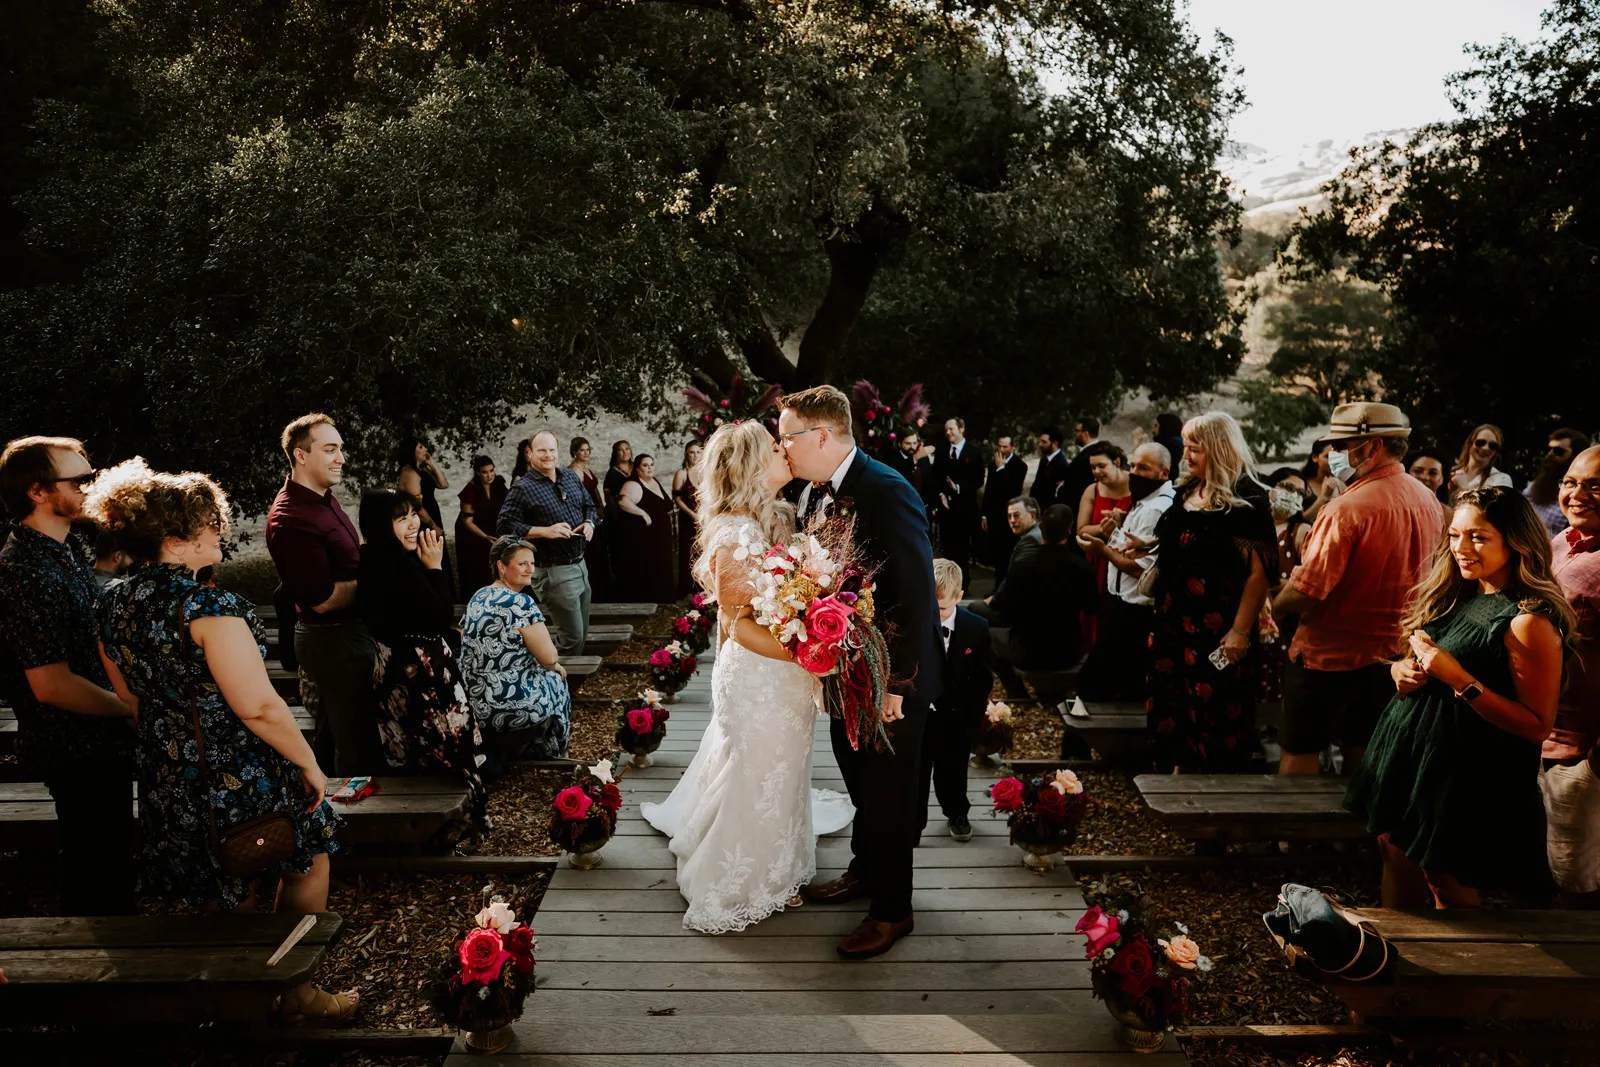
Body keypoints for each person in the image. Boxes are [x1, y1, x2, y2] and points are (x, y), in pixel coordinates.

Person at [87, 459, 355, 1023]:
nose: (220, 531)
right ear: (174, 543)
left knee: (220, 886)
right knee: (307, 860)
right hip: (240, 765)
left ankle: (243, 1002)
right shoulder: (209, 606)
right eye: (208, 523)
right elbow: (258, 706)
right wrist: (310, 763)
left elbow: (131, 699)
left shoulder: (108, 603)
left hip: (168, 768)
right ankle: (296, 991)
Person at [640, 422, 854, 933]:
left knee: (780, 771)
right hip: (763, 675)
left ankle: (781, 867)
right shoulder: (737, 534)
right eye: (775, 449)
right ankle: (738, 882)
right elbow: (737, 626)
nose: (785, 453)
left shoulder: (760, 522)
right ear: (754, 466)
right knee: (759, 775)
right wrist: (810, 653)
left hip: (777, 677)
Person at [778, 385, 943, 960]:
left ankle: (893, 910)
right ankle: (866, 869)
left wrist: (897, 685)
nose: (783, 448)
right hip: (847, 670)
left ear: (822, 435)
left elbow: (915, 594)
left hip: (891, 680)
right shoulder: (821, 492)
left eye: (788, 436)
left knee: (892, 794)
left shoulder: (887, 490)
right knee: (857, 775)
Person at [1345, 487, 1569, 908]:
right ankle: (1407, 962)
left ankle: (1465, 971)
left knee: (1444, 878)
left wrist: (1460, 680)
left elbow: (1537, 723)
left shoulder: (1528, 620)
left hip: (1465, 771)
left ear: (1516, 541)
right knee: (1394, 850)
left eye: (1478, 537)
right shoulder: (1461, 591)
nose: (1461, 549)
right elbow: (1418, 657)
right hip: (1414, 757)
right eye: (1454, 535)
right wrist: (1403, 671)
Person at [0, 436, 136, 916]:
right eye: (79, 480)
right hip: (75, 747)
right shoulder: (24, 568)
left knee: (112, 869)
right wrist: (129, 709)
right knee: (95, 879)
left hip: (101, 739)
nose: (91, 486)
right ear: (37, 491)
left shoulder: (65, 548)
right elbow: (49, 683)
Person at [1271, 404, 1445, 777]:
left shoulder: (1346, 508)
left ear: (1371, 446)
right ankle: (1352, 835)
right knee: (1365, 757)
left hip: (1327, 656)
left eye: (1342, 444)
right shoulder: (1427, 499)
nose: (1335, 454)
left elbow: (1309, 589)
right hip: (1389, 657)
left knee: (1300, 751)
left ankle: (1292, 836)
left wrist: (1275, 604)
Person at [1146, 412, 1276, 773]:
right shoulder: (1187, 491)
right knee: (1171, 704)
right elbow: (1175, 540)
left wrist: (1239, 631)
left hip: (1218, 627)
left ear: (1219, 449)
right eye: (1185, 447)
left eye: (1195, 449)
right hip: (1173, 621)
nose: (1185, 456)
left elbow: (1258, 575)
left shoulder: (1247, 501)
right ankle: (1175, 779)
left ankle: (1215, 798)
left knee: (1215, 711)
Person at [357, 490, 488, 832]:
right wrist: (435, 567)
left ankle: (446, 823)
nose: (414, 523)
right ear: (381, 526)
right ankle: (455, 823)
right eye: (401, 519)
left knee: (420, 749)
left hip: (403, 669)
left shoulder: (376, 556)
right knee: (444, 746)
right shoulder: (397, 565)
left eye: (414, 513)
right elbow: (438, 614)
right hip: (419, 673)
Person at [266, 414, 379, 775]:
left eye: (341, 449)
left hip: (349, 635)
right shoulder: (291, 519)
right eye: (330, 449)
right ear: (300, 455)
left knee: (337, 738)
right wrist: (385, 583)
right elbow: (322, 599)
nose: (341, 458)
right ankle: (360, 823)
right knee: (356, 747)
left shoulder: (323, 499)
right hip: (332, 641)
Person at [1541, 446, 1600, 897]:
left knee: (1577, 885)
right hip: (1539, 738)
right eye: (1571, 482)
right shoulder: (1562, 542)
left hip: (1581, 756)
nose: (1579, 494)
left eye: (1596, 485)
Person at [1077, 443, 1176, 703]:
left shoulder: (1157, 508)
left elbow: (1139, 567)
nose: (1135, 473)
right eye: (1133, 466)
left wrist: (1104, 550)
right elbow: (1130, 549)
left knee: (1099, 684)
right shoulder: (1146, 501)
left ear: (1163, 473)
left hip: (1135, 609)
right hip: (1121, 601)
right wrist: (1115, 532)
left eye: (1143, 468)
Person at [461, 537, 571, 767]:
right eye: (522, 564)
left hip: (474, 702)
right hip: (513, 704)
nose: (530, 569)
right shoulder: (521, 603)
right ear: (501, 566)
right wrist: (552, 666)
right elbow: (550, 657)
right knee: (557, 680)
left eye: (532, 563)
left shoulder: (478, 596)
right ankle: (555, 750)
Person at [495, 430, 598, 657]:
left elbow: (590, 507)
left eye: (552, 450)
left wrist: (589, 522)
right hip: (554, 571)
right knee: (571, 638)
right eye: (541, 450)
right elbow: (504, 526)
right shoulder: (522, 488)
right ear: (530, 453)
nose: (548, 455)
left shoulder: (569, 477)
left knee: (580, 635)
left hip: (580, 566)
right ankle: (551, 682)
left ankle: (563, 683)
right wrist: (545, 532)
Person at [980, 505, 1096, 700]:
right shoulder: (1082, 567)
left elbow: (1004, 608)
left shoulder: (1024, 565)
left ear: (1039, 526)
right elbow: (1092, 607)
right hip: (1068, 650)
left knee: (983, 635)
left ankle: (1017, 691)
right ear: (1069, 530)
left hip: (1026, 649)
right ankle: (1053, 693)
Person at [918, 559, 992, 843]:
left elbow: (982, 679)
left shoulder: (976, 628)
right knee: (917, 771)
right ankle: (914, 819)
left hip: (956, 716)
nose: (937, 617)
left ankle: (957, 812)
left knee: (954, 769)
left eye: (944, 609)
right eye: (932, 608)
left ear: (960, 597)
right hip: (922, 714)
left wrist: (972, 721)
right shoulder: (917, 623)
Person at [1074, 442, 1133, 653]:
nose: (1096, 472)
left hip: (1128, 560)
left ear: (1116, 462)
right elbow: (1081, 529)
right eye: (1093, 467)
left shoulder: (1136, 486)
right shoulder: (1093, 490)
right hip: (1098, 561)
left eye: (1101, 466)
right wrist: (1105, 527)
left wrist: (1124, 522)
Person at [614, 453, 677, 603]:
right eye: (645, 465)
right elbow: (623, 502)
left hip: (660, 536)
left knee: (663, 567)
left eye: (651, 464)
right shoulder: (633, 484)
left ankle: (664, 603)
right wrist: (643, 513)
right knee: (650, 570)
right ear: (637, 468)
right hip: (646, 538)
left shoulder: (653, 481)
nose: (649, 468)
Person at [396, 437, 452, 597]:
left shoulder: (422, 470)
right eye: (421, 447)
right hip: (424, 520)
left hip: (433, 513)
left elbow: (443, 484)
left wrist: (432, 463)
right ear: (412, 451)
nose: (425, 449)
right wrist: (433, 525)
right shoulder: (409, 473)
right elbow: (417, 506)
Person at [933, 417, 984, 587]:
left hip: (965, 510)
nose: (948, 433)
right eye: (946, 430)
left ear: (961, 429)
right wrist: (941, 495)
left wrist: (959, 488)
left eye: (951, 429)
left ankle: (963, 584)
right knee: (947, 548)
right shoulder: (941, 452)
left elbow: (978, 480)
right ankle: (947, 585)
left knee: (962, 550)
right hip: (946, 509)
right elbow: (936, 478)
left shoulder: (974, 452)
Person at [454, 455, 508, 597]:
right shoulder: (470, 491)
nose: (489, 475)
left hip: (492, 526)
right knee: (477, 568)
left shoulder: (498, 484)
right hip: (473, 532)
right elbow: (467, 522)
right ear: (478, 473)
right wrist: (484, 536)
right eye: (485, 472)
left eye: (491, 471)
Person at [1526, 428, 1591, 538]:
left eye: (1558, 451)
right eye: (1549, 449)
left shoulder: (1579, 499)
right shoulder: (1535, 486)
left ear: (1576, 457)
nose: (1550, 454)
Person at [568, 437, 610, 602]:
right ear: (575, 452)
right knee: (590, 554)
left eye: (587, 450)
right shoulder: (574, 470)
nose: (585, 453)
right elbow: (577, 497)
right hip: (583, 516)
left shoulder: (585, 468)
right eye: (582, 450)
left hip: (594, 514)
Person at [982, 436, 1027, 579]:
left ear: (1012, 447)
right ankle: (997, 586)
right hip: (994, 516)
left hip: (1010, 516)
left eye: (1005, 447)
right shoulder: (992, 464)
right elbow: (988, 491)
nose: (1001, 450)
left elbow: (1013, 490)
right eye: (999, 446)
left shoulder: (1019, 465)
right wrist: (984, 514)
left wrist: (1001, 468)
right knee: (996, 555)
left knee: (1007, 554)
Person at [672, 441, 705, 596]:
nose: (695, 456)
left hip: (706, 520)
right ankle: (688, 590)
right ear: (686, 454)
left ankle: (705, 588)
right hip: (688, 519)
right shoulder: (682, 473)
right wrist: (692, 514)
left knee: (704, 552)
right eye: (691, 452)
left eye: (698, 452)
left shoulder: (706, 472)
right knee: (689, 552)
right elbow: (677, 499)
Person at [1448, 423, 1513, 499]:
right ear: (1470, 443)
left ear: (1496, 452)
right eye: (1480, 442)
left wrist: (1463, 488)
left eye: (1492, 446)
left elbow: (1496, 509)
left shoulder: (1501, 479)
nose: (1485, 448)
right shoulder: (1451, 473)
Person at [1056, 417, 1102, 513]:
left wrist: (1061, 488)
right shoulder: (1100, 451)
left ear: (1085, 433)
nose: (1075, 434)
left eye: (1077, 431)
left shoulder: (1083, 459)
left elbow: (1074, 489)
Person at [1300, 440, 1342, 525]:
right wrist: (1324, 497)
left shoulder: (1341, 483)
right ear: (1315, 457)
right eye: (1328, 456)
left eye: (1336, 456)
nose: (1333, 461)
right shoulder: (1302, 485)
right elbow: (1301, 520)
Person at [1030, 427, 1069, 508]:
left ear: (1055, 443)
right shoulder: (1044, 460)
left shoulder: (1062, 464)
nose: (1040, 444)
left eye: (1044, 442)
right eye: (1040, 441)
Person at [1153, 413, 1185, 481]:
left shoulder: (1167, 447)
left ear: (1164, 427)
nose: (1153, 430)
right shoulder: (1182, 444)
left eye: (1156, 426)